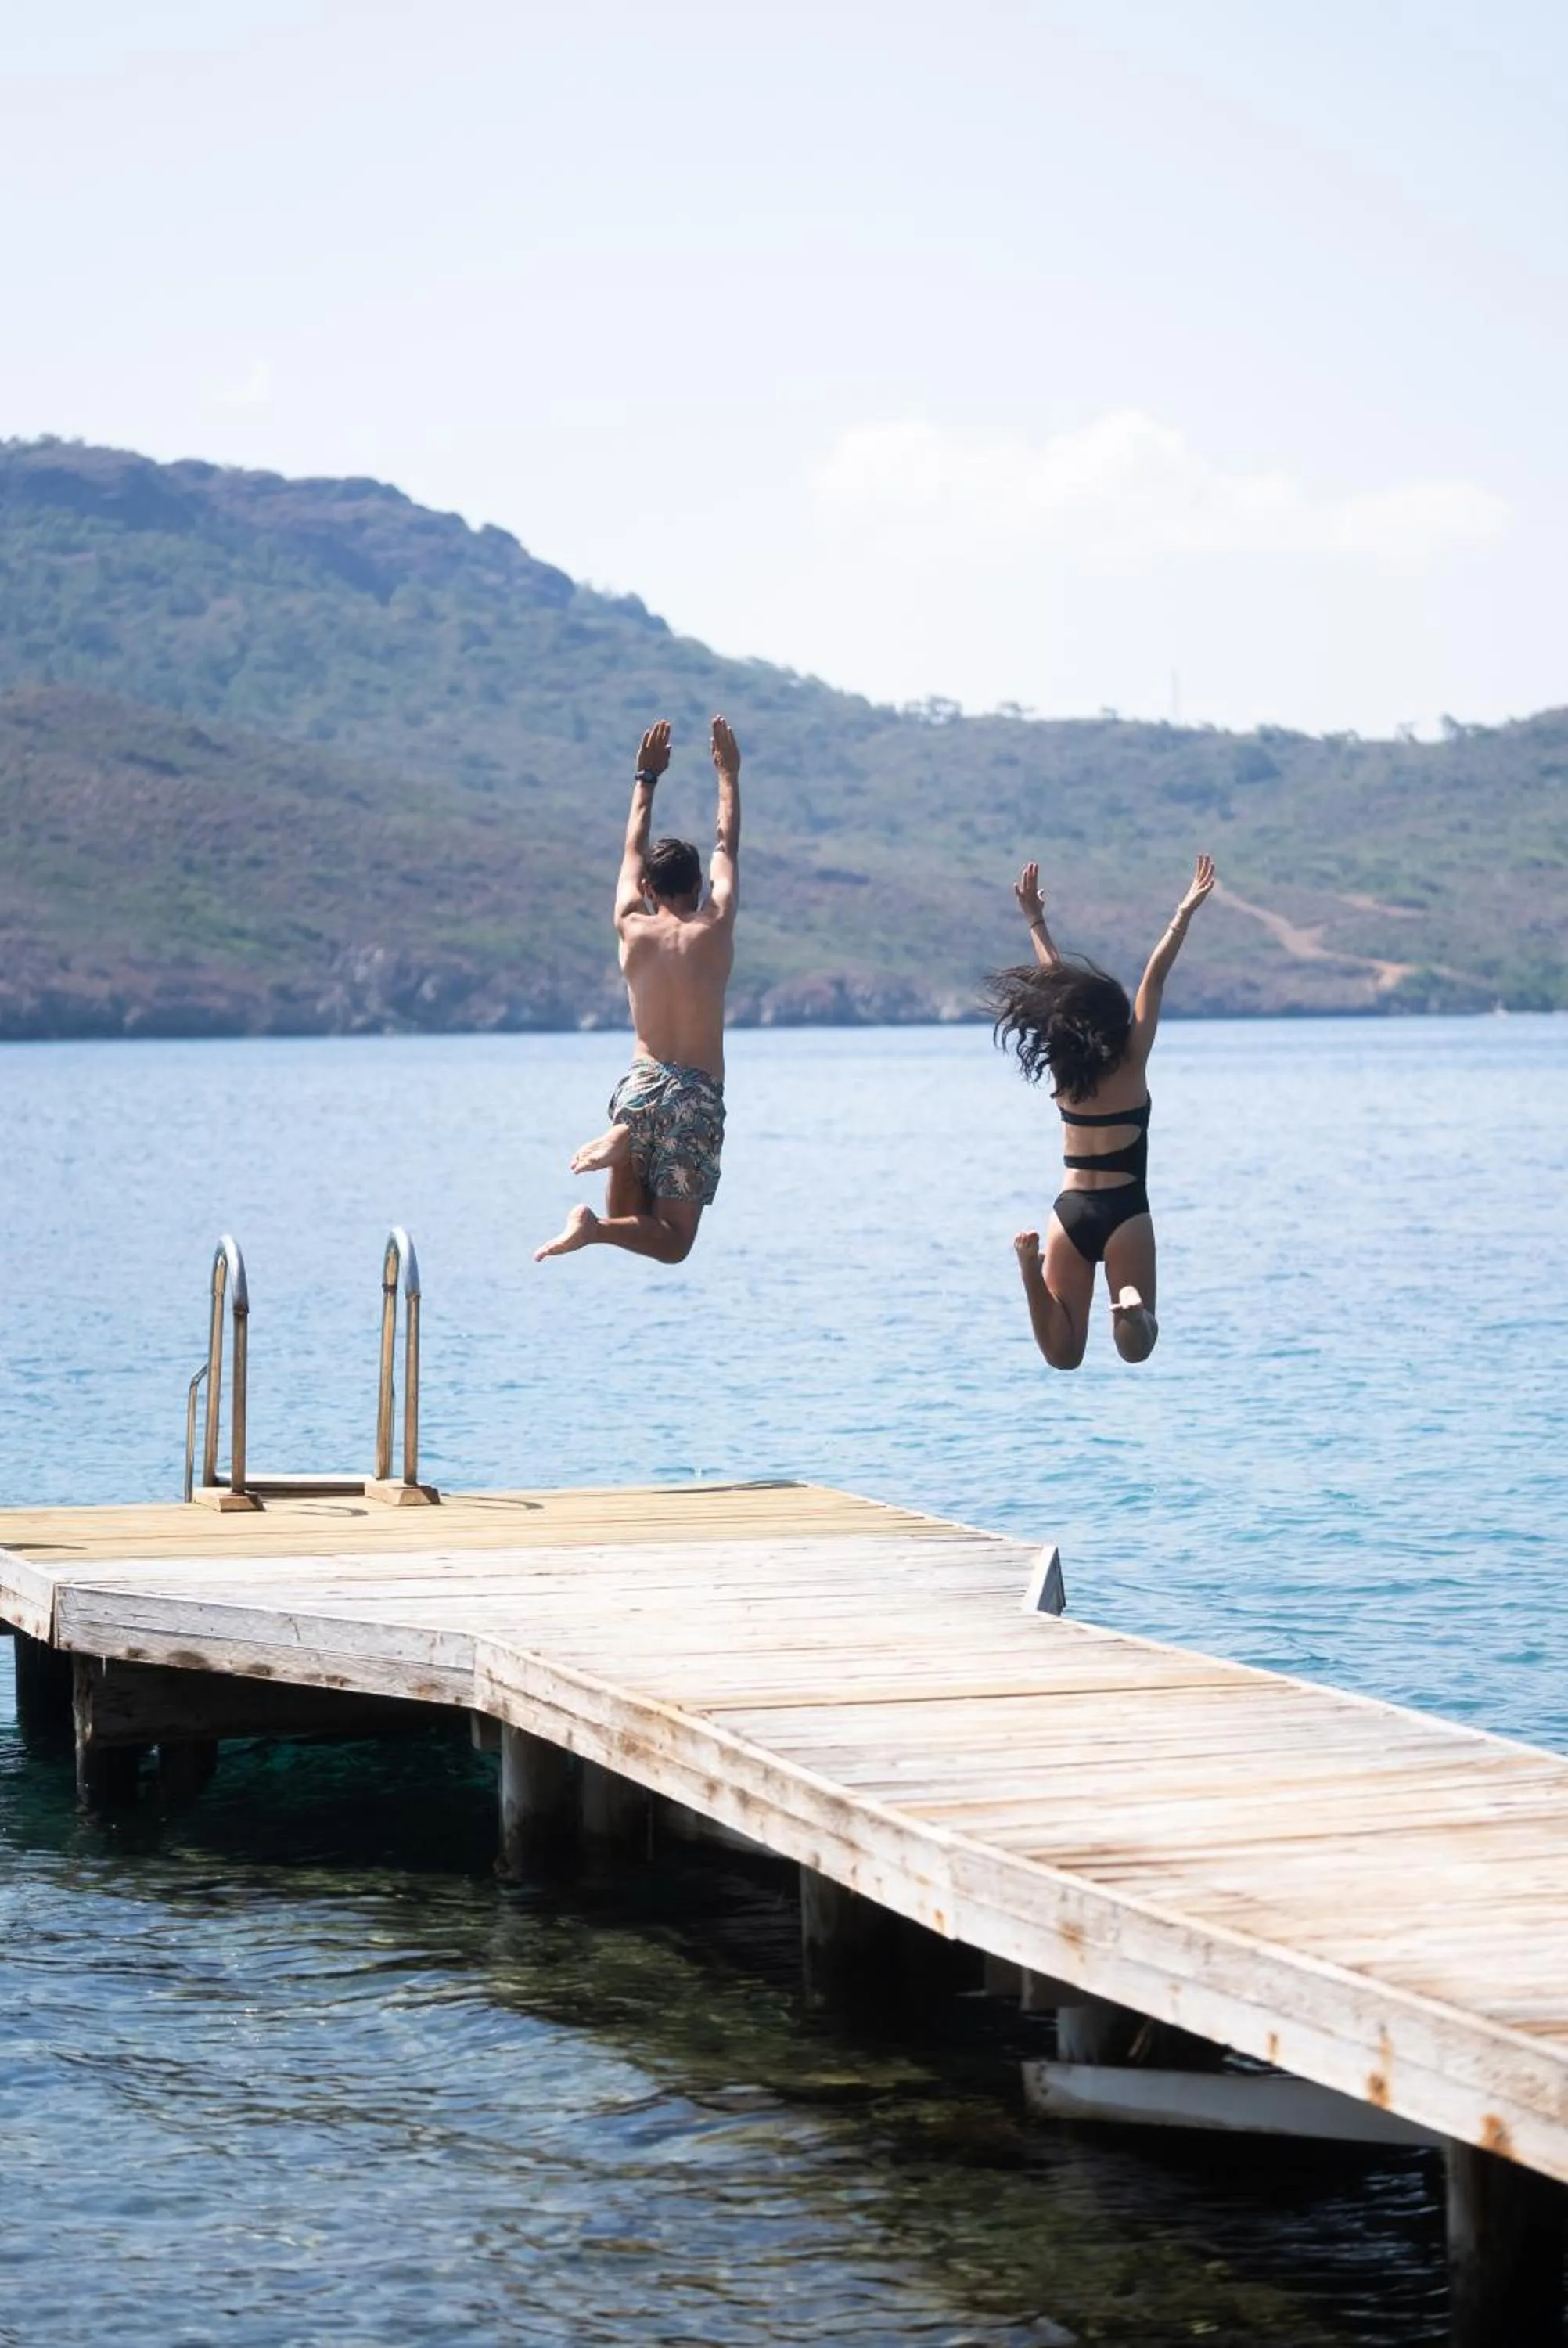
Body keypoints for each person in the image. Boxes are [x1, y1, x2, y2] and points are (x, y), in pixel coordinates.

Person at [989, 852, 1216, 1367]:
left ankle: (1029, 1270)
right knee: (1137, 1348)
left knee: (1063, 1356)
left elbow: (1056, 990)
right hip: (1124, 1214)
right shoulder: (1132, 1061)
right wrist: (1183, 913)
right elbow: (1154, 979)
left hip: (1068, 1215)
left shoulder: (1069, 1072)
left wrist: (1034, 920)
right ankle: (1130, 1313)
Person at [534, 715, 741, 1265]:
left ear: (647, 889)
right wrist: (728, 776)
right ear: (698, 887)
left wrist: (645, 779)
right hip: (694, 1094)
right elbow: (729, 848)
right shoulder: (714, 924)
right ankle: (596, 1221)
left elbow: (632, 849)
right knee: (672, 1242)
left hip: (639, 1088)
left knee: (631, 1215)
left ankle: (621, 1147)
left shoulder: (632, 923)